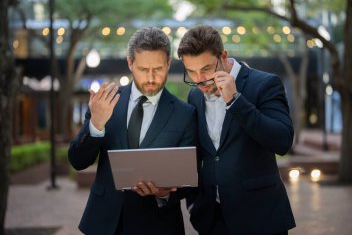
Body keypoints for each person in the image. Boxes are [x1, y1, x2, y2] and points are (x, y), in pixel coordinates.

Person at [68, 27, 197, 235]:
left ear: (169, 64)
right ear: (130, 63)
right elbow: (77, 161)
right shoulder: (106, 102)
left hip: (158, 225)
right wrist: (96, 126)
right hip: (104, 223)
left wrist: (164, 193)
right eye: (143, 69)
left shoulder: (186, 114)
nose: (152, 77)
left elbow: (190, 180)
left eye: (158, 68)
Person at [178, 25, 296, 235]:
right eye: (191, 72)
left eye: (206, 69)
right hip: (212, 221)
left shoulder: (265, 84)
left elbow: (282, 141)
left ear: (223, 56)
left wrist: (235, 101)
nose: (199, 80)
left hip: (260, 219)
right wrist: (194, 204)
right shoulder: (194, 97)